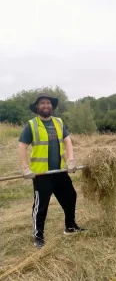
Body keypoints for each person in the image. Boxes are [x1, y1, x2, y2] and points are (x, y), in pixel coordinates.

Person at [18, 93, 85, 248]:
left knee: (70, 197)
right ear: (37, 107)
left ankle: (70, 227)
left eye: (48, 103)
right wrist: (25, 167)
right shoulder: (32, 125)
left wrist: (70, 160)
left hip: (59, 172)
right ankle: (38, 236)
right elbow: (22, 146)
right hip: (42, 174)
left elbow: (67, 141)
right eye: (42, 103)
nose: (46, 105)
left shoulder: (59, 122)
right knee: (41, 207)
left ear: (52, 106)